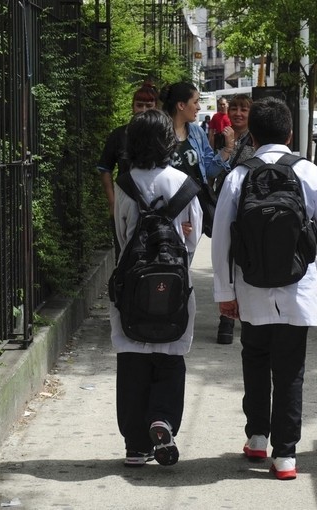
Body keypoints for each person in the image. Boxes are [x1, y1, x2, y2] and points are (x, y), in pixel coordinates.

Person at [211, 96, 317, 480]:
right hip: (297, 286)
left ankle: (257, 437)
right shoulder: (308, 172)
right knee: (290, 369)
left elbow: (221, 238)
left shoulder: (239, 175)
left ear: (252, 133)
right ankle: (285, 456)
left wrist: (225, 292)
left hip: (251, 287)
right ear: (289, 132)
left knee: (254, 360)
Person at [110, 109, 203, 468]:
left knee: (133, 359)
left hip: (132, 286)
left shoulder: (124, 184)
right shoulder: (184, 183)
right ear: (169, 142)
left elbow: (121, 236)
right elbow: (193, 241)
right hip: (175, 286)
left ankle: (135, 444)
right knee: (169, 356)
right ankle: (162, 419)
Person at [160, 82, 231, 239]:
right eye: (196, 102)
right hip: (167, 209)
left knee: (186, 258)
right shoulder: (158, 133)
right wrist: (174, 220)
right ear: (181, 105)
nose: (199, 107)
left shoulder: (197, 133)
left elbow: (209, 171)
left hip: (194, 208)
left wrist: (227, 150)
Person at [96, 82, 158, 261]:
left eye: (149, 105)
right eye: (140, 105)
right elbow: (104, 168)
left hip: (155, 203)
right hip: (125, 202)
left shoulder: (162, 134)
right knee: (123, 256)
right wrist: (112, 201)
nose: (144, 110)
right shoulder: (119, 135)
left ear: (156, 107)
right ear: (132, 106)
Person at [214, 93, 255, 345]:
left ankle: (245, 314)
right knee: (226, 257)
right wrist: (226, 148)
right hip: (223, 201)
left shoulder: (256, 139)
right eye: (235, 109)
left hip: (247, 205)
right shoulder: (223, 135)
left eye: (244, 110)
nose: (238, 113)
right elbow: (215, 168)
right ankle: (226, 319)